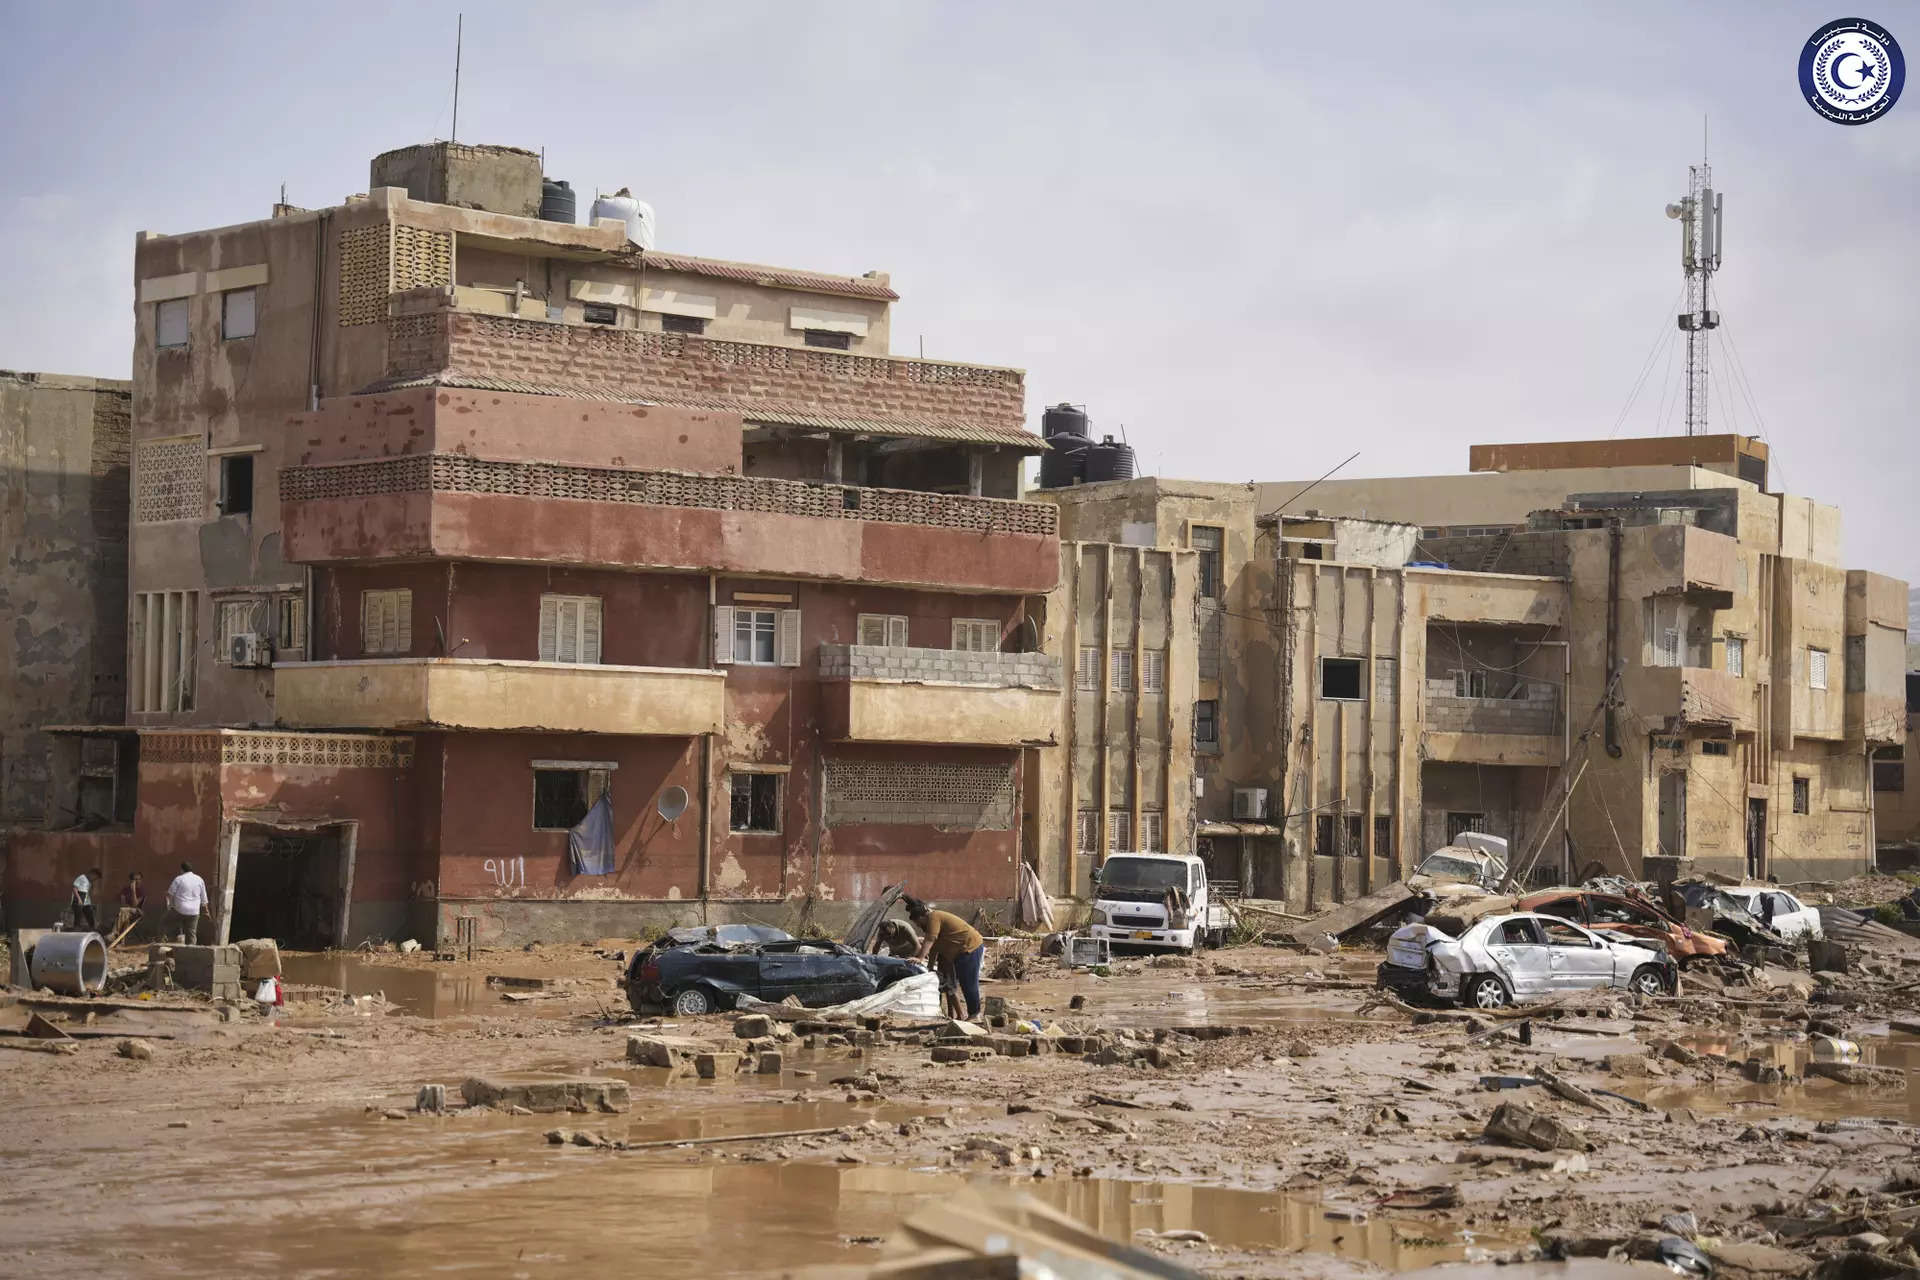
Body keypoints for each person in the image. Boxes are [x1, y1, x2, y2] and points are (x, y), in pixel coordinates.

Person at [904, 895, 985, 1021]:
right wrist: (929, 967)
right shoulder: (931, 922)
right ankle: (959, 1014)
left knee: (968, 983)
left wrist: (920, 958)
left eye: (918, 923)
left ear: (921, 917)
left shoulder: (933, 917)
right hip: (956, 953)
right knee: (954, 984)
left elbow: (930, 940)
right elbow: (934, 948)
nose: (919, 926)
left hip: (969, 947)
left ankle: (975, 1014)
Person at [164, 861, 210, 945]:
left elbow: (169, 895)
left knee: (163, 924)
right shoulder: (199, 879)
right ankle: (191, 952)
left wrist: (170, 906)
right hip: (194, 911)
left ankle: (161, 944)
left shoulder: (179, 879)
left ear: (182, 870)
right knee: (191, 934)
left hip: (179, 910)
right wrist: (207, 911)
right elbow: (204, 898)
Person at [113, 872, 146, 941]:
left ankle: (114, 933)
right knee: (125, 918)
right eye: (134, 879)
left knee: (123, 912)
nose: (137, 881)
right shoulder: (125, 890)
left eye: (138, 879)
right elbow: (122, 903)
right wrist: (127, 907)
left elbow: (135, 905)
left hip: (137, 912)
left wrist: (133, 891)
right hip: (126, 911)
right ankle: (121, 942)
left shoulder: (142, 891)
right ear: (131, 881)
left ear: (141, 880)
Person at [70, 867, 103, 932]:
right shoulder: (82, 877)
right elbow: (74, 888)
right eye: (95, 877)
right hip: (78, 899)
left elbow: (87, 893)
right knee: (78, 915)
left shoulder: (90, 882)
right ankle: (76, 929)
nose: (94, 879)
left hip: (86, 901)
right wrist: (79, 899)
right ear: (92, 874)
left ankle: (92, 928)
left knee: (89, 914)